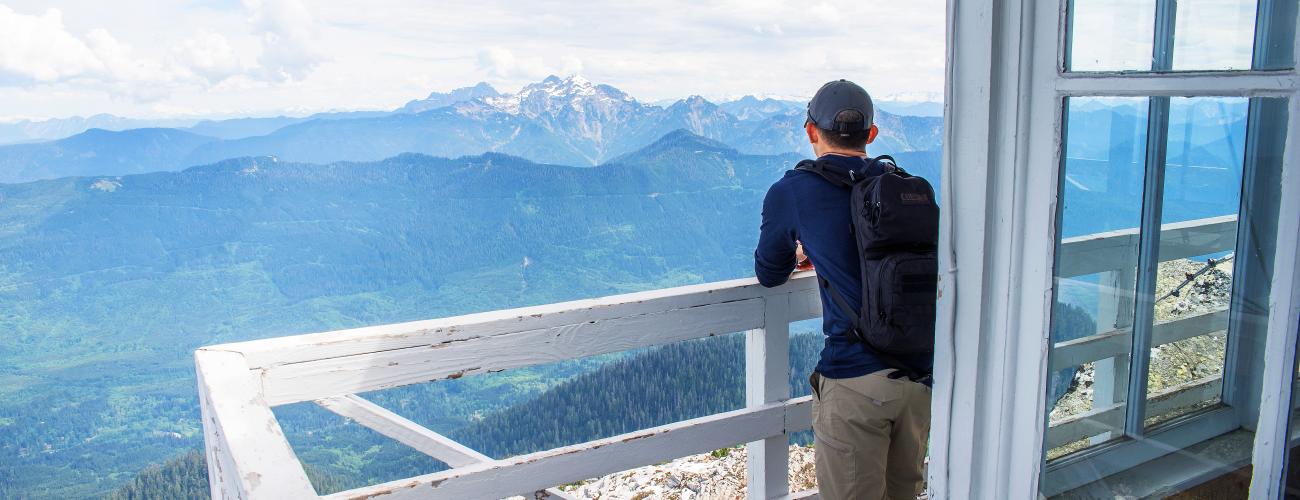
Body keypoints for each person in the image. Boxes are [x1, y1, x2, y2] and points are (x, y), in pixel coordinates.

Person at [753, 80, 933, 500]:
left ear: (811, 131)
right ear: (872, 135)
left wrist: (806, 252)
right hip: (918, 376)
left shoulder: (793, 191)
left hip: (854, 380)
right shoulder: (901, 187)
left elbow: (769, 271)